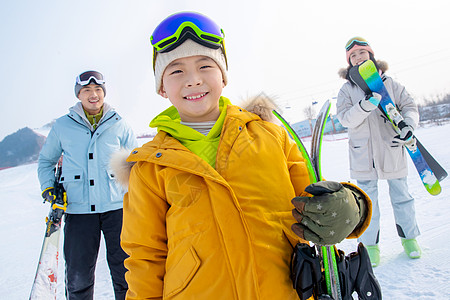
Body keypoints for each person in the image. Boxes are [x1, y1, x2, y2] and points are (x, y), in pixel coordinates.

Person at [115, 12, 372, 299]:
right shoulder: (150, 168)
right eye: (176, 71)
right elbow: (145, 257)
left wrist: (351, 205)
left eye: (205, 65)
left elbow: (316, 199)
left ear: (223, 75)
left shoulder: (270, 136)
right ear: (162, 87)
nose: (193, 80)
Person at [37, 70, 138, 300]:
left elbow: (136, 162)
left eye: (98, 90)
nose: (93, 95)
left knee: (127, 274)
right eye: (87, 91)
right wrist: (48, 187)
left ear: (104, 93)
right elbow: (46, 161)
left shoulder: (119, 123)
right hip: (79, 210)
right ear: (78, 95)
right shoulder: (63, 126)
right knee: (78, 278)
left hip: (117, 209)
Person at [336, 37, 421, 267]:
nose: (358, 58)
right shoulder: (347, 90)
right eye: (353, 56)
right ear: (349, 62)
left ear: (371, 55)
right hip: (363, 155)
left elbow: (410, 107)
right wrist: (365, 105)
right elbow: (345, 119)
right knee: (367, 203)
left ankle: (410, 239)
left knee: (402, 197)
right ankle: (370, 247)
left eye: (362, 53)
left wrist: (409, 126)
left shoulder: (391, 84)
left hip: (392, 149)